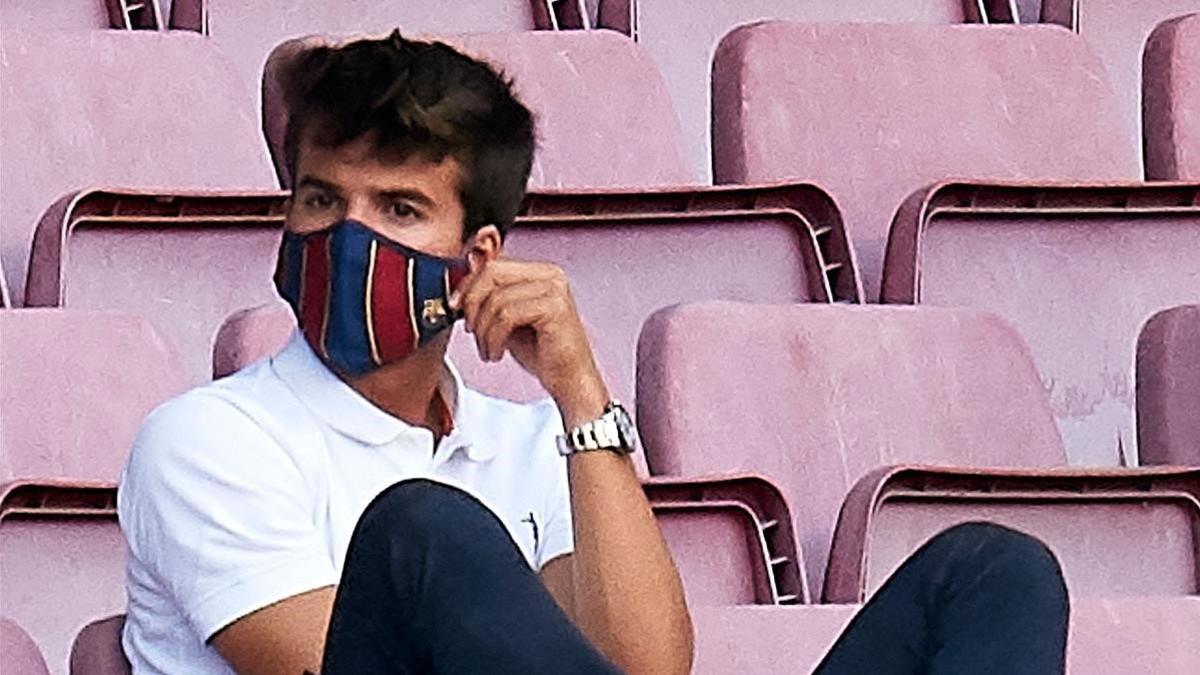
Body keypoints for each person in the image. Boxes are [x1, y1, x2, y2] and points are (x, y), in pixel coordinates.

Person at [117, 31, 1069, 675]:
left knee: (993, 570)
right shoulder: (206, 439)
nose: (347, 235)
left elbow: (650, 662)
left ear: (476, 259)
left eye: (399, 211)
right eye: (323, 200)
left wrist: (580, 396)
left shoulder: (530, 442)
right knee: (424, 531)